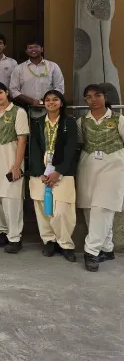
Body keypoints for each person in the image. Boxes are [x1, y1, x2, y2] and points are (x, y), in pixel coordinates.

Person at [76, 84, 124, 272]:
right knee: (89, 208)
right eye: (88, 97)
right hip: (88, 167)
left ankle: (91, 251)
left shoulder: (118, 119)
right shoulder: (82, 121)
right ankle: (107, 248)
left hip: (112, 167)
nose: (93, 99)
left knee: (103, 207)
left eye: (97, 95)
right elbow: (80, 143)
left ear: (105, 97)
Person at [29, 90, 77, 262]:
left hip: (63, 169)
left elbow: (71, 147)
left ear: (61, 103)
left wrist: (59, 171)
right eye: (47, 100)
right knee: (43, 208)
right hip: (41, 170)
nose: (51, 102)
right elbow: (34, 148)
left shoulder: (69, 122)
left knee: (62, 210)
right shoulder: (37, 122)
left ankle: (65, 244)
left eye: (55, 99)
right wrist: (40, 172)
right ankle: (49, 241)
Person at [0, 82, 29, 254]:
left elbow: (22, 140)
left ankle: (15, 237)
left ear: (7, 92)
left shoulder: (19, 112)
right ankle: (2, 231)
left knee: (11, 199)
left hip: (10, 158)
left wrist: (16, 166)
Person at [9, 39, 65, 114]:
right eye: (30, 48)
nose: (33, 50)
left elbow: (60, 88)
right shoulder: (19, 69)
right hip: (26, 109)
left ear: (42, 49)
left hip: (50, 109)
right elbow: (13, 90)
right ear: (26, 51)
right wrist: (31, 101)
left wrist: (45, 100)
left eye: (36, 47)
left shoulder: (53, 66)